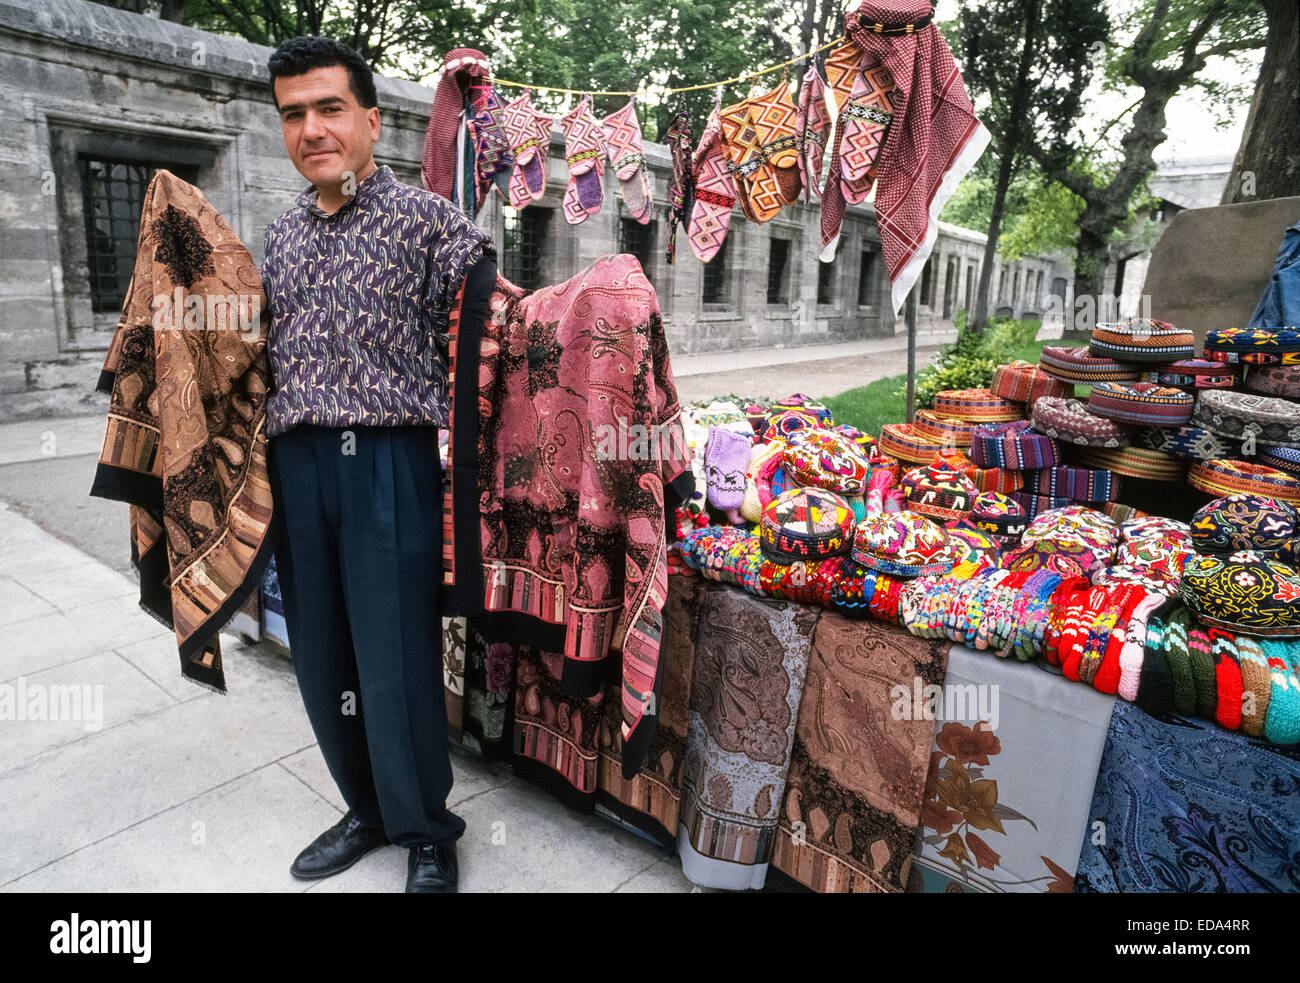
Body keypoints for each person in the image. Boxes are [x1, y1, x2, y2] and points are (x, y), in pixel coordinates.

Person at [260, 35, 497, 893]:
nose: (312, 129)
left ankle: (426, 826)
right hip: (298, 462)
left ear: (370, 117)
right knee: (321, 653)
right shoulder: (278, 239)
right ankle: (364, 807)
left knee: (394, 653)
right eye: (294, 114)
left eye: (329, 108)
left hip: (388, 463)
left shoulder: (432, 224)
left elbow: (496, 335)